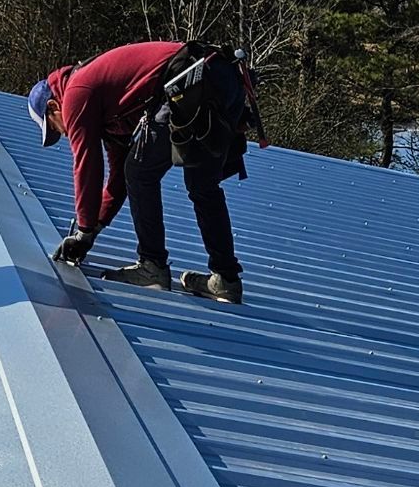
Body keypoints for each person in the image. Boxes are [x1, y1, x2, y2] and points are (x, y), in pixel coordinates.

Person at [29, 39, 257, 304]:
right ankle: (225, 280)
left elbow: (87, 165)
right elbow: (118, 180)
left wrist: (83, 231)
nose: (64, 134)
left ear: (54, 107)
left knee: (140, 172)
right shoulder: (107, 100)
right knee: (201, 186)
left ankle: (152, 267)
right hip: (219, 76)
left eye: (56, 128)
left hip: (188, 81)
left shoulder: (76, 94)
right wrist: (93, 230)